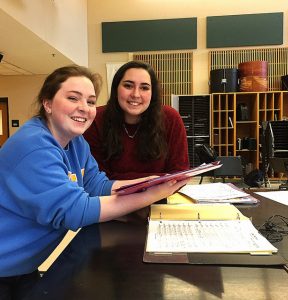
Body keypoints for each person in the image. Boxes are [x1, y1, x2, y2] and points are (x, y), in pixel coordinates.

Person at [0, 65, 189, 299]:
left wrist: (148, 182)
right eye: (73, 98)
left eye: (90, 101)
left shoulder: (76, 142)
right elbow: (74, 210)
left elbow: (97, 185)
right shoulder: (34, 145)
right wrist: (151, 194)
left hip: (24, 267)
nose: (84, 108)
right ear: (47, 103)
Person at [83, 60, 189, 180]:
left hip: (160, 195)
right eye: (128, 85)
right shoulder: (96, 119)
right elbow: (96, 179)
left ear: (152, 93)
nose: (136, 94)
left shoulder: (170, 118)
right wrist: (157, 179)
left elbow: (179, 173)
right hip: (110, 197)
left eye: (144, 88)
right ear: (116, 88)